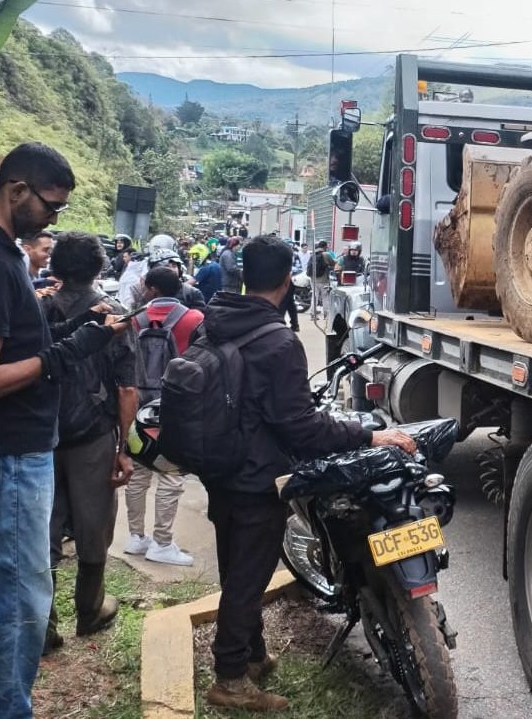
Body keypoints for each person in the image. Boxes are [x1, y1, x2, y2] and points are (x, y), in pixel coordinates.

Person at [198, 235, 415, 710]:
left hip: (219, 466)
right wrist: (369, 436)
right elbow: (300, 427)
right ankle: (230, 679)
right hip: (256, 475)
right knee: (248, 577)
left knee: (236, 564)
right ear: (284, 279)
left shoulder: (214, 323)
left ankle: (252, 654)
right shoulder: (278, 340)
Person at [0, 143, 123, 719]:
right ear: (16, 191)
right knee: (18, 602)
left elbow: (13, 345)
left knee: (12, 596)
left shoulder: (6, 256)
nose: (54, 221)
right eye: (51, 207)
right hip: (9, 458)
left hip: (16, 451)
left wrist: (70, 339)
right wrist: (64, 356)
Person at [39, 232, 138, 654]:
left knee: (41, 530)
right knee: (94, 522)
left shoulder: (39, 307)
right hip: (92, 437)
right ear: (100, 267)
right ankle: (90, 609)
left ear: (57, 266)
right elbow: (126, 389)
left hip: (40, 435)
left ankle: (43, 625)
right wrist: (123, 448)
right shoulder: (114, 313)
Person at [123, 267, 202, 567]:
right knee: (170, 474)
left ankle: (135, 537)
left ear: (153, 289)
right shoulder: (194, 319)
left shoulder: (133, 319)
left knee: (139, 470)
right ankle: (162, 542)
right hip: (173, 406)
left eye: (145, 285)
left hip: (136, 404)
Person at [306, 240, 332, 320]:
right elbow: (333, 263)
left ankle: (313, 315)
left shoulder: (313, 254)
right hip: (323, 280)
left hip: (313, 279)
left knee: (315, 296)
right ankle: (326, 315)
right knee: (325, 297)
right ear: (325, 247)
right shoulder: (326, 254)